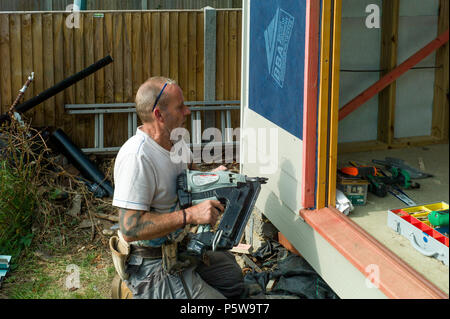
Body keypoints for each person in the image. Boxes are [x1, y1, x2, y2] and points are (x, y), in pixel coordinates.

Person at [112, 76, 244, 299]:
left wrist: (213, 178)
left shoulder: (176, 141)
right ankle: (131, 291)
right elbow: (130, 228)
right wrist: (191, 215)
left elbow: (190, 175)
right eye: (180, 107)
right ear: (159, 114)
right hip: (151, 263)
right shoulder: (137, 157)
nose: (188, 111)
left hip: (179, 246)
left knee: (233, 281)